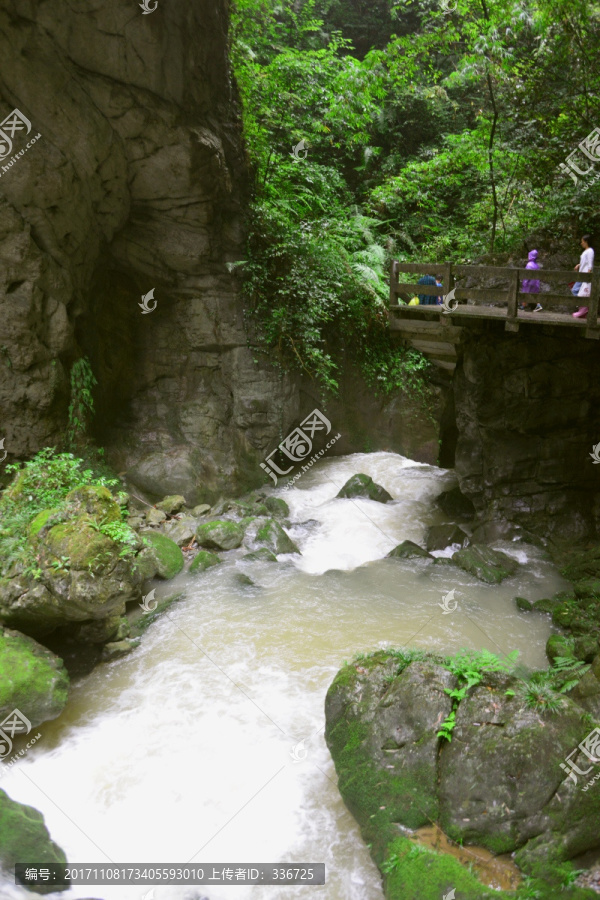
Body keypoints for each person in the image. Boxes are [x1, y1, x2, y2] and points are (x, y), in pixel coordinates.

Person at [572, 235, 595, 318]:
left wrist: (588, 276)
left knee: (575, 290)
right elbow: (584, 261)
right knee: (577, 291)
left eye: (582, 241)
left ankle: (583, 309)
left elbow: (590, 264)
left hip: (585, 275)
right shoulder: (586, 251)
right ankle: (582, 309)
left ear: (586, 242)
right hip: (581, 274)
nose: (581, 243)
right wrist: (579, 265)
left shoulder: (590, 251)